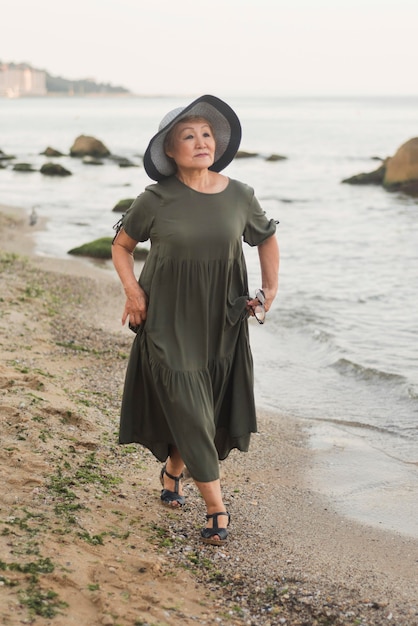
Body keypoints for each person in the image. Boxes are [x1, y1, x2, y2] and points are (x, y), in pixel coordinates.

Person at [112, 94, 279, 545]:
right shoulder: (154, 199)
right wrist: (133, 291)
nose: (201, 142)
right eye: (188, 136)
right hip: (167, 319)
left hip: (221, 320)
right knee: (188, 401)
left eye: (207, 134)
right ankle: (217, 508)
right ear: (169, 149)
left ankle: (172, 472)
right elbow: (122, 246)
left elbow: (266, 238)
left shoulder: (240, 195)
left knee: (203, 410)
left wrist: (269, 290)